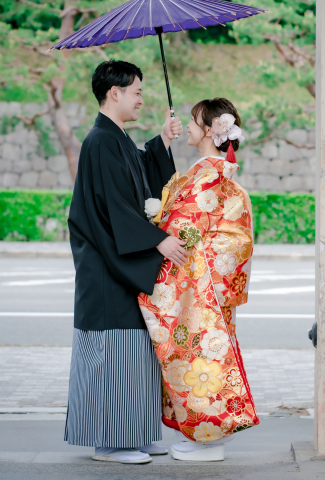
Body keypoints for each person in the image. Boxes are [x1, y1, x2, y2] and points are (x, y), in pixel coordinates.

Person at [64, 60, 190, 464]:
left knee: (135, 350)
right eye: (136, 91)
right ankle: (110, 441)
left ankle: (133, 431)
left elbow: (137, 173)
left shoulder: (113, 138)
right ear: (114, 93)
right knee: (116, 350)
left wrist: (163, 143)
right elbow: (117, 207)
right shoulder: (100, 141)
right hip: (106, 266)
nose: (141, 98)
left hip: (117, 261)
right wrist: (158, 240)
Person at [137, 98, 260, 462]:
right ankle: (208, 431)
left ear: (210, 130)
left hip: (198, 285)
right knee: (208, 356)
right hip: (208, 283)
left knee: (198, 357)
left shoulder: (209, 173)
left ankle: (210, 432)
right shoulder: (211, 169)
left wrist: (157, 224)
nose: (188, 126)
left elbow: (186, 227)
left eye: (193, 121)